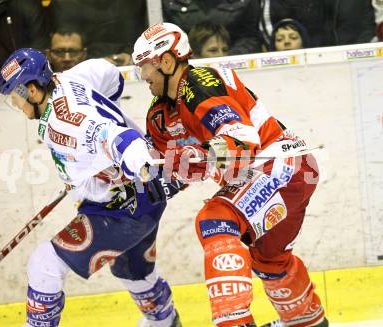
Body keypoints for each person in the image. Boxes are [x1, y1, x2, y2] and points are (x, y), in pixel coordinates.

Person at [132, 22, 329, 327]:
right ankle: (307, 320)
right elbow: (169, 168)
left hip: (283, 165)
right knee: (269, 261)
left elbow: (242, 143)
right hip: (285, 174)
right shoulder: (160, 114)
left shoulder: (199, 84)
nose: (142, 76)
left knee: (215, 220)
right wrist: (140, 185)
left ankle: (234, 322)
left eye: (145, 67)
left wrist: (197, 157)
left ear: (168, 62)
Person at [0, 48, 182, 327]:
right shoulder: (70, 79)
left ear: (32, 91)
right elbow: (111, 77)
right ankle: (164, 321)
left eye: (16, 98)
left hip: (122, 207)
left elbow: (116, 137)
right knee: (130, 269)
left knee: (45, 264)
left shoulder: (68, 122)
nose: (18, 106)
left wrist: (134, 159)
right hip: (142, 199)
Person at [49, 0, 146, 66]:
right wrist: (95, 63)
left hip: (128, 64)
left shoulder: (133, 3)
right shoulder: (66, 4)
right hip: (79, 64)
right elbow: (66, 43)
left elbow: (141, 35)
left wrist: (129, 54)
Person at [162, 0, 261, 55]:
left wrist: (226, 58)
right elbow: (164, 39)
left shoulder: (245, 2)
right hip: (185, 63)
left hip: (234, 62)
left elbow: (250, 36)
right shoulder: (168, 3)